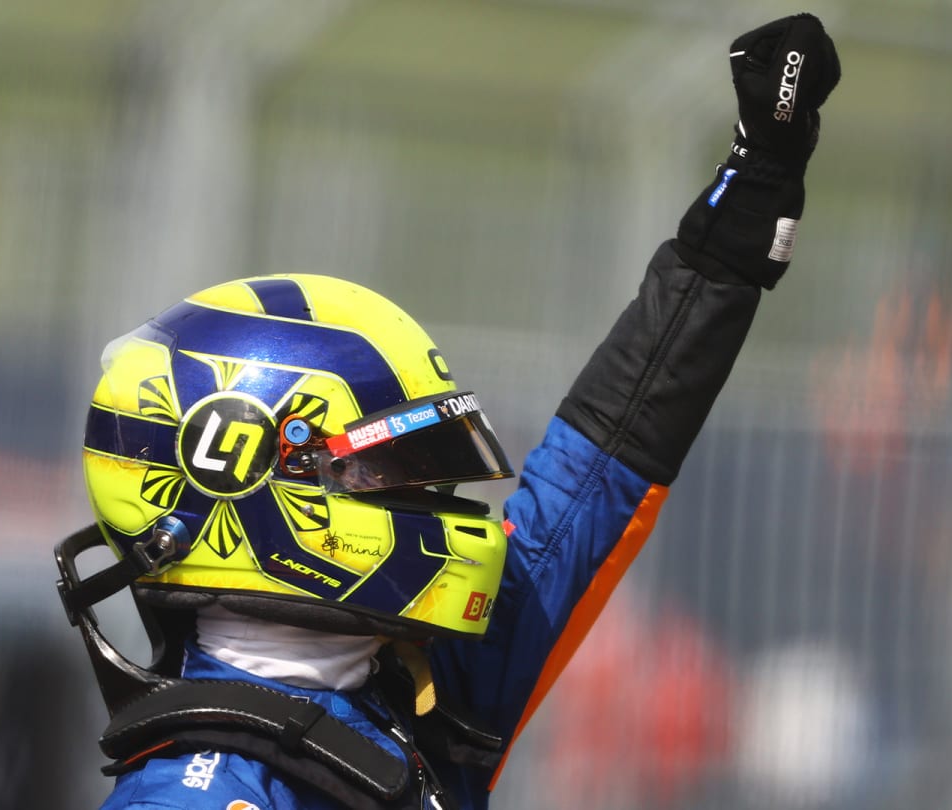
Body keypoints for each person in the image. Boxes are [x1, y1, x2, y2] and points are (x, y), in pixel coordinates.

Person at [53, 14, 840, 810]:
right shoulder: (195, 795)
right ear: (243, 477)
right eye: (389, 473)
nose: (438, 504)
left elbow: (598, 471)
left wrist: (742, 217)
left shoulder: (414, 702)